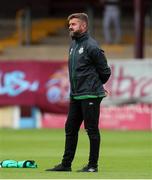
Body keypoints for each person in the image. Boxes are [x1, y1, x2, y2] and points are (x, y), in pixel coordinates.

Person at [45, 13, 111, 172]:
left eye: (73, 24)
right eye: (69, 24)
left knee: (91, 129)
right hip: (76, 94)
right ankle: (66, 164)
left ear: (83, 26)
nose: (70, 26)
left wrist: (95, 85)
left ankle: (92, 166)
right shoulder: (74, 45)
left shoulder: (92, 46)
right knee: (70, 128)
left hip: (90, 95)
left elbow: (105, 72)